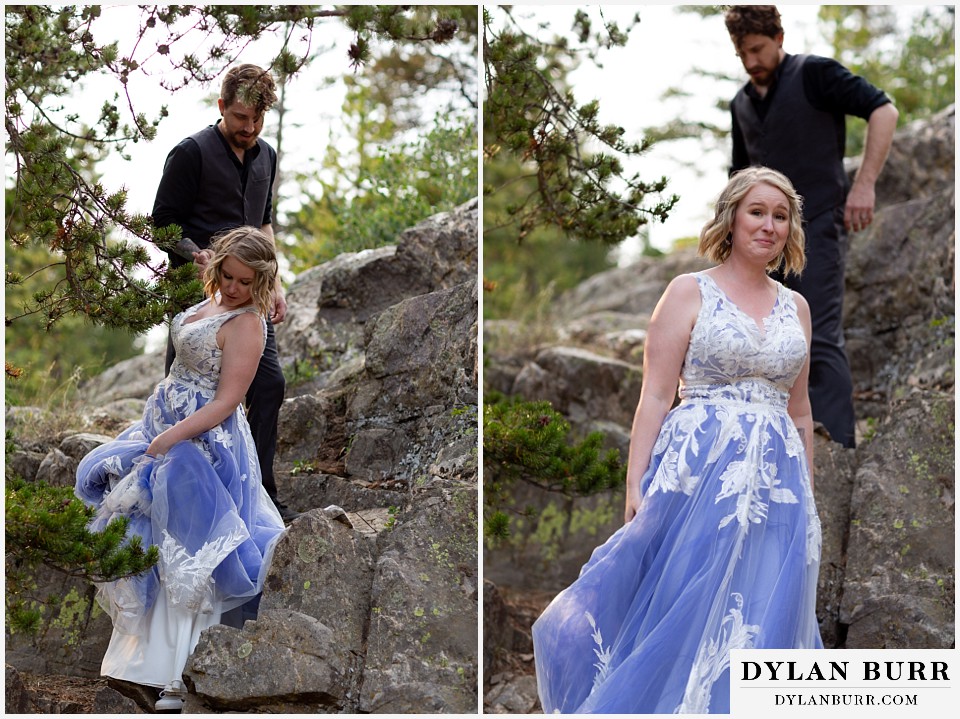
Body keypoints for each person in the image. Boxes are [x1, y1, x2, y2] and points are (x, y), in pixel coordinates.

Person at [532, 167, 823, 714]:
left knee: (761, 608)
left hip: (777, 487)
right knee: (685, 598)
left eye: (780, 216)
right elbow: (656, 396)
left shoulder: (797, 308)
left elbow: (800, 411)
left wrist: (808, 499)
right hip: (697, 474)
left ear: (791, 229)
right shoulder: (688, 292)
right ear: (732, 218)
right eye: (756, 212)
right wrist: (634, 483)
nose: (768, 226)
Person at [75, 226, 287, 711]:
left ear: (259, 282)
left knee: (189, 547)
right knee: (152, 538)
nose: (232, 287)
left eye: (244, 281)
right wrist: (157, 430)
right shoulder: (209, 299)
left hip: (203, 444)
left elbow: (229, 401)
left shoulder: (249, 324)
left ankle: (177, 675)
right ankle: (136, 665)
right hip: (162, 424)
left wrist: (171, 439)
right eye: (227, 275)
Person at [725, 5, 899, 449]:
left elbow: (883, 110)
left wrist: (863, 186)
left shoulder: (815, 73)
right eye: (742, 53)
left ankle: (836, 449)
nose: (751, 62)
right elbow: (739, 182)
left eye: (758, 50)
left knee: (817, 338)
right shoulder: (740, 103)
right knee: (762, 339)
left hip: (817, 226)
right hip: (761, 243)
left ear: (779, 37)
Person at [152, 63, 298, 521]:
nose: (248, 128)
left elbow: (265, 222)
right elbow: (161, 225)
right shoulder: (190, 153)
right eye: (239, 118)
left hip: (249, 293)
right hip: (196, 291)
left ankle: (257, 494)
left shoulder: (267, 155)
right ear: (221, 107)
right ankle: (175, 479)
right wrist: (199, 258)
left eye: (256, 120)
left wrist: (272, 281)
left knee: (269, 384)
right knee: (185, 382)